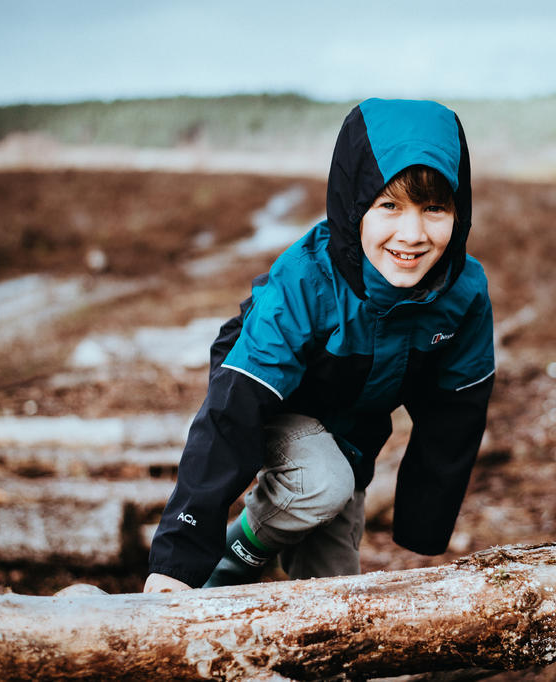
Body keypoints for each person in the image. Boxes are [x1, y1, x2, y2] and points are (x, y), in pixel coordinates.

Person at [144, 98, 495, 592]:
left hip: (350, 433)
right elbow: (231, 412)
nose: (412, 234)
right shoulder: (307, 281)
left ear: (460, 211)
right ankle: (224, 569)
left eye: (434, 208)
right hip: (266, 399)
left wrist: (424, 522)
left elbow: (456, 409)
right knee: (320, 483)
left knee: (333, 594)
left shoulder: (462, 294)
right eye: (389, 205)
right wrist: (177, 556)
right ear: (355, 206)